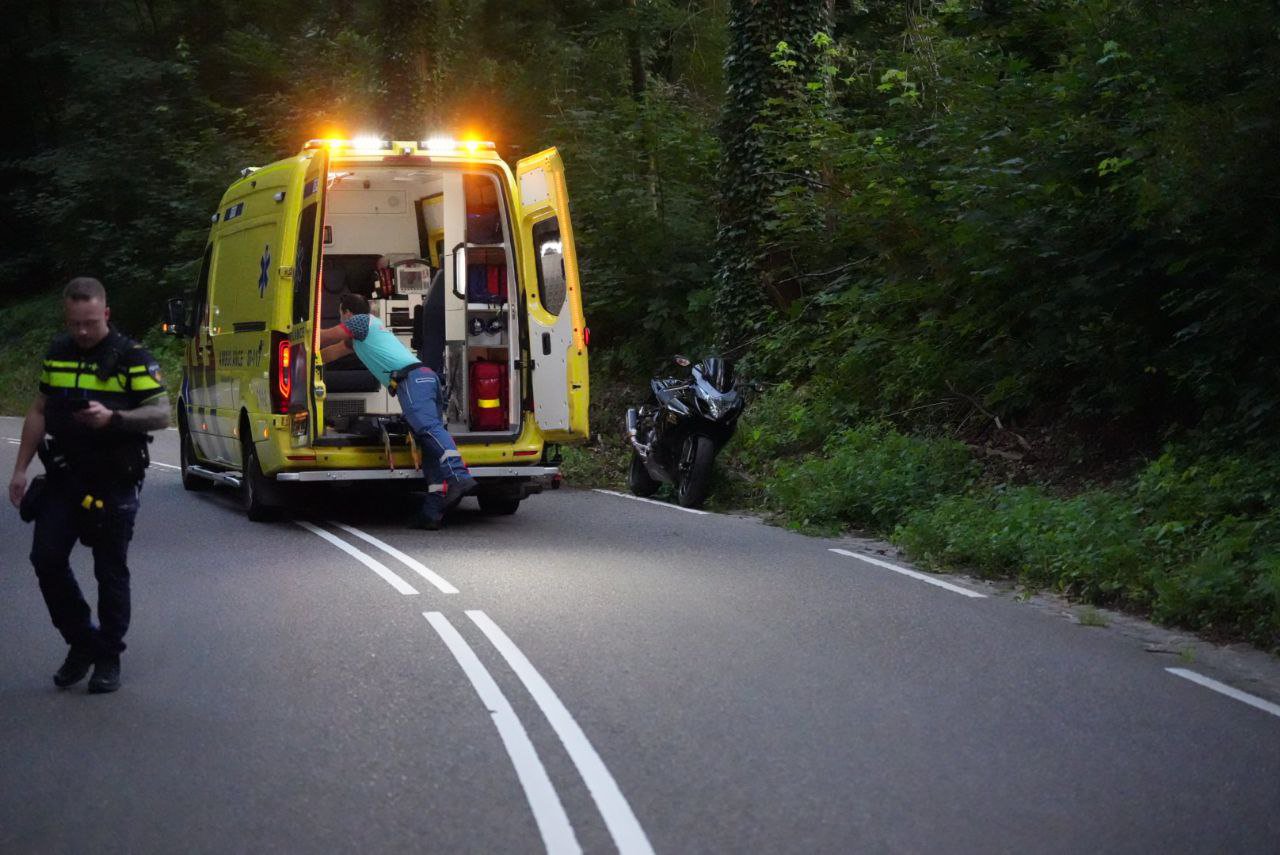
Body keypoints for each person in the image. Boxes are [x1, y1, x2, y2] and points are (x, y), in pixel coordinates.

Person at [8, 277, 170, 694]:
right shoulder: (58, 353)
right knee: (46, 560)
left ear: (106, 315)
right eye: (75, 323)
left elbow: (161, 413)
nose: (81, 332)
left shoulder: (132, 357)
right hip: (65, 477)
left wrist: (114, 418)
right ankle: (82, 641)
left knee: (109, 570)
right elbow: (40, 409)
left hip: (114, 480)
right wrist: (20, 469)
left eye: (90, 323)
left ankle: (109, 656)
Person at [319, 292, 476, 529]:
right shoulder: (362, 335)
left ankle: (459, 476)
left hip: (412, 380)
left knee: (427, 429)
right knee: (427, 443)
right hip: (422, 379)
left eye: (341, 314)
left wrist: (295, 334)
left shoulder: (362, 321)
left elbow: (323, 337)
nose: (342, 319)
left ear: (346, 312)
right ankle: (432, 511)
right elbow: (328, 354)